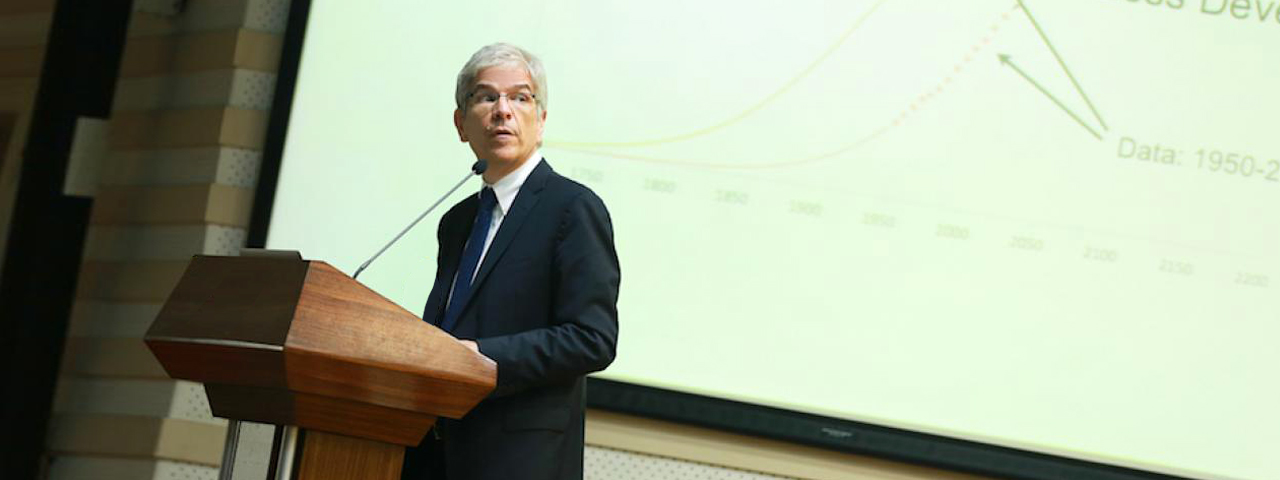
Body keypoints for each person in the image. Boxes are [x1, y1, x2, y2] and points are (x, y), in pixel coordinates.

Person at [400, 43, 620, 480]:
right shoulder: (457, 220)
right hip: (436, 453)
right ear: (461, 124)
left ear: (541, 120)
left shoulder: (572, 208)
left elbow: (592, 338)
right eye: (486, 97)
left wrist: (481, 355)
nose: (503, 110)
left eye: (520, 97)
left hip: (518, 459)